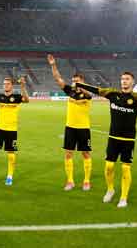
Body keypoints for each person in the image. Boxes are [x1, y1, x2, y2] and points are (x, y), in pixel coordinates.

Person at [75, 72, 137, 208]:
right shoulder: (112, 93)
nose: (124, 81)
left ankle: (123, 197)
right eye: (122, 79)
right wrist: (79, 84)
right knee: (109, 166)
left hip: (128, 139)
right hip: (113, 138)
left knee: (126, 168)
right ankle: (110, 189)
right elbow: (96, 90)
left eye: (127, 79)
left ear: (132, 82)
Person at [47, 54, 93, 191]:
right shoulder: (70, 91)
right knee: (68, 154)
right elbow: (57, 79)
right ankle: (70, 181)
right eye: (73, 81)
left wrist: (80, 85)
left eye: (77, 81)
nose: (74, 83)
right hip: (70, 127)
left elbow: (89, 94)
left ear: (82, 81)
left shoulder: (87, 93)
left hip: (84, 128)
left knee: (85, 154)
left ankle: (86, 181)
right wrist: (53, 65)